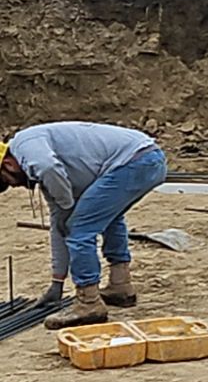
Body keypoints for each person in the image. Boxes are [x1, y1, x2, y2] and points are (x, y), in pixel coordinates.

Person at [0, 122, 168, 329]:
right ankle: (120, 286)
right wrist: (57, 282)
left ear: (7, 164)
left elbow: (48, 166)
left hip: (135, 161)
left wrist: (67, 205)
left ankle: (88, 303)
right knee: (109, 219)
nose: (16, 186)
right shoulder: (51, 177)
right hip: (146, 159)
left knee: (80, 230)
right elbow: (58, 227)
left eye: (8, 181)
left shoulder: (26, 143)